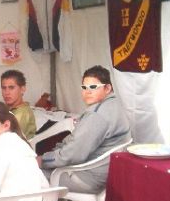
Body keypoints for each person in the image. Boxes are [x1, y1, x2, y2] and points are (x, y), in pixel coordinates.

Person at [38, 65, 131, 193]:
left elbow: (72, 155)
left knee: (27, 175)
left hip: (88, 177)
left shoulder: (97, 115)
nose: (87, 92)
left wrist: (43, 160)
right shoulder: (117, 104)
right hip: (108, 174)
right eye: (84, 87)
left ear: (107, 88)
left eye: (93, 87)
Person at [0, 69, 36, 140]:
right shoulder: (8, 109)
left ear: (22, 89)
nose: (6, 93)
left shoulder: (23, 112)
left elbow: (10, 139)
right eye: (4, 88)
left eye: (11, 88)